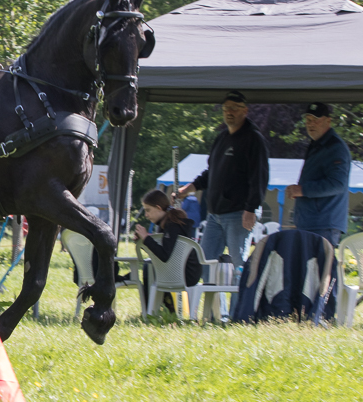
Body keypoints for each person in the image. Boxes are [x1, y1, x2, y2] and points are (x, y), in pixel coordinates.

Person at [176, 90, 269, 281]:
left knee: (238, 267)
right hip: (215, 215)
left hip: (239, 214)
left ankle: (239, 310)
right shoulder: (221, 138)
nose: (229, 112)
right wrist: (189, 189)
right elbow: (211, 173)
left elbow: (259, 178)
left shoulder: (253, 139)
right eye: (226, 108)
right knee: (206, 263)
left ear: (245, 111)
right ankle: (215, 311)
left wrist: (251, 209)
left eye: (234, 108)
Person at [285, 102, 350, 247]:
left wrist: (302, 190)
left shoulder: (335, 148)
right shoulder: (317, 145)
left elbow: (337, 184)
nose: (311, 124)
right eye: (308, 120)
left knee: (322, 269)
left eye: (316, 120)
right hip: (311, 222)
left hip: (323, 223)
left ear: (328, 121)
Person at [134, 190, 201, 313]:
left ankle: (152, 310)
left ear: (158, 208)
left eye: (148, 210)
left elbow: (164, 255)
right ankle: (161, 308)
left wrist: (147, 238)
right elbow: (159, 254)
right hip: (179, 271)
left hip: (186, 274)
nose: (146, 215)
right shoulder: (166, 223)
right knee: (149, 266)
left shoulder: (173, 225)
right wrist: (143, 240)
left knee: (148, 268)